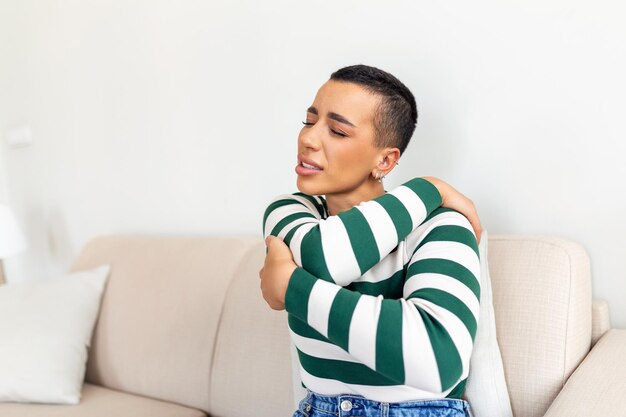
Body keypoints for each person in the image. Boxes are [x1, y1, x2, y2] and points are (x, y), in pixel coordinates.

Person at [260, 64, 481, 417]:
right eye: (309, 120)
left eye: (337, 130)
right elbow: (323, 257)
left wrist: (290, 286)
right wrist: (430, 188)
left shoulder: (441, 224)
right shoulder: (291, 212)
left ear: (385, 159)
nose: (308, 139)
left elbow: (439, 358)